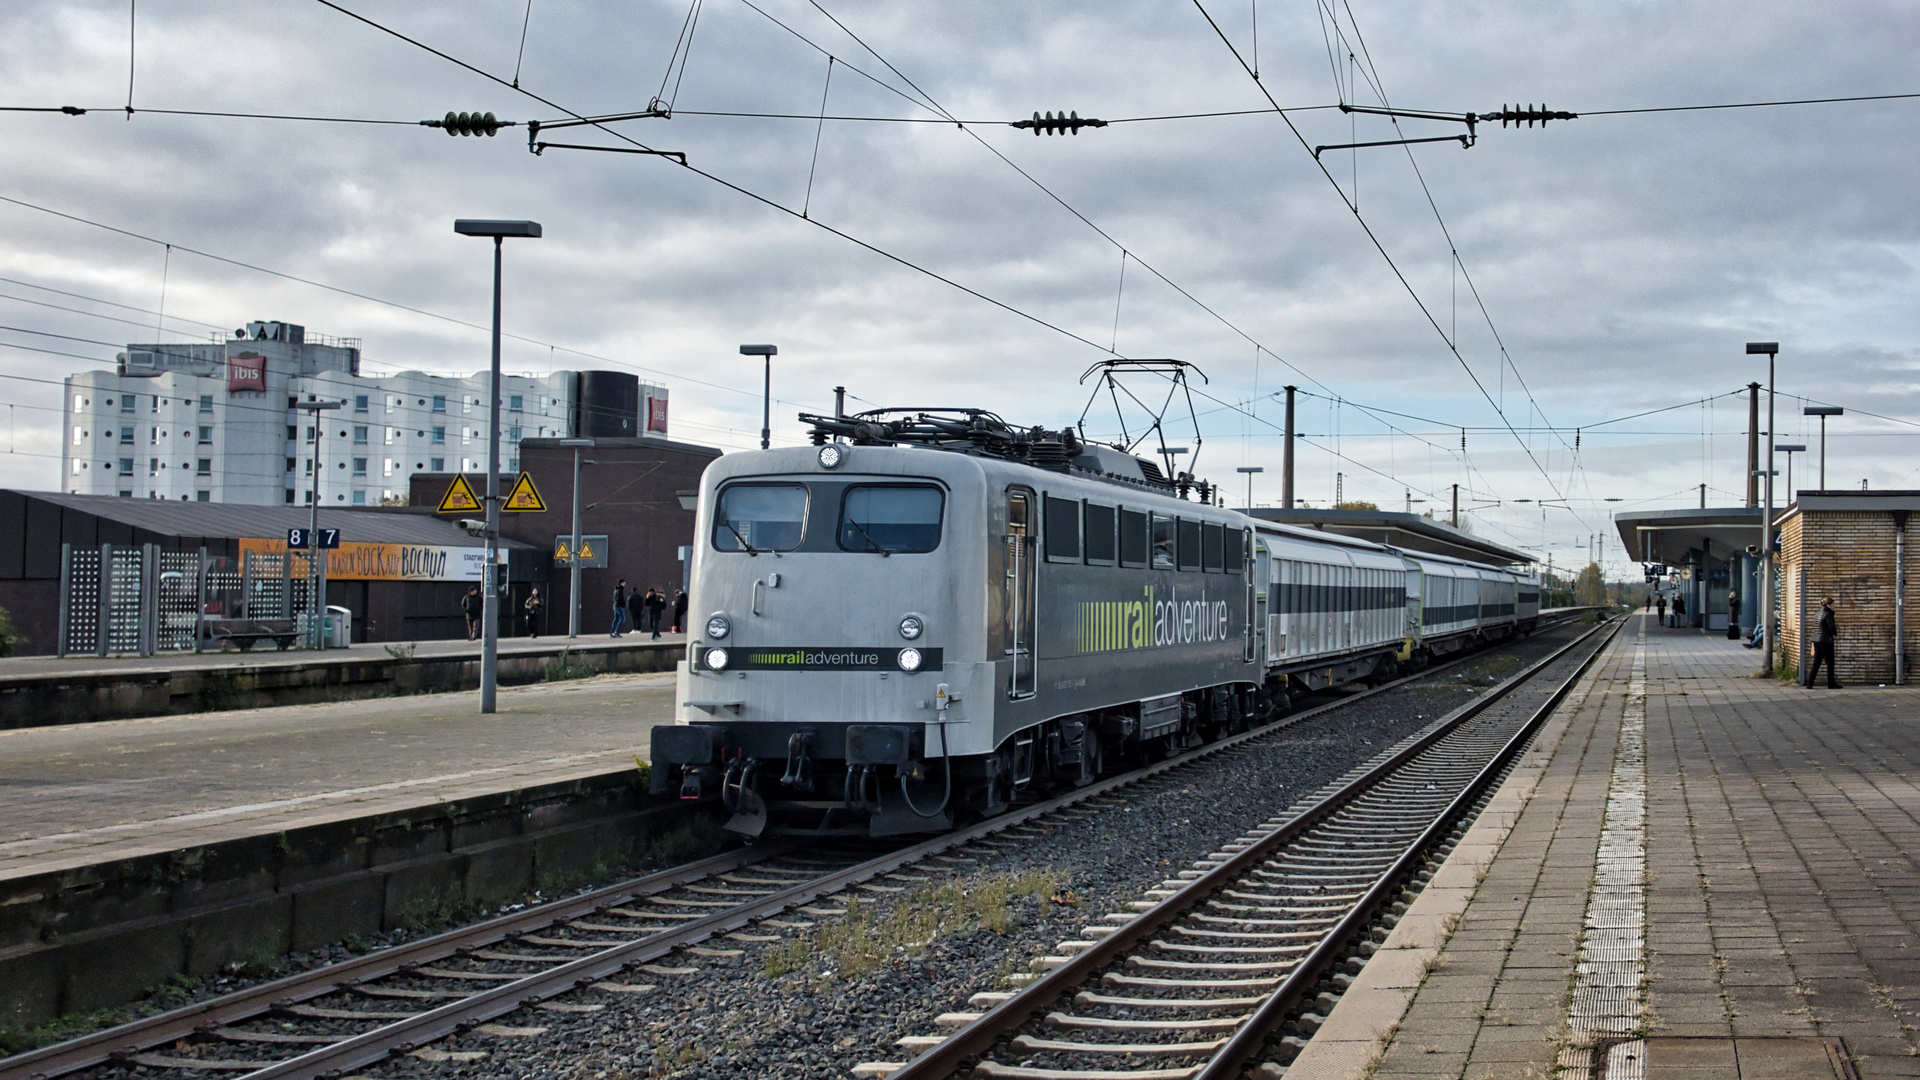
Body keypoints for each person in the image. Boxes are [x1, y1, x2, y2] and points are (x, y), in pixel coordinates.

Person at [1806, 597, 1841, 689]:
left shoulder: (1817, 614)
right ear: (1829, 605)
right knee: (1830, 662)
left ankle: (1810, 683)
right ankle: (1831, 684)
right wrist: (1834, 633)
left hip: (1816, 640)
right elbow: (1832, 628)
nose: (1834, 606)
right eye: (1833, 605)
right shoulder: (1828, 614)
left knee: (1816, 662)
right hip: (1826, 640)